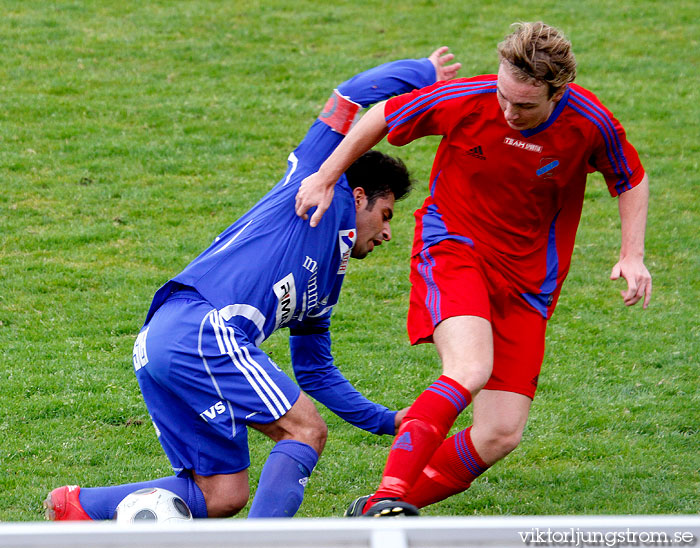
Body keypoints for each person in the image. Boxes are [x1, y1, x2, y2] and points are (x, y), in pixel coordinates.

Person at [42, 47, 461, 521]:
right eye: (386, 216)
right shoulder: (318, 183)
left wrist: (389, 421)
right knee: (304, 431)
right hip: (199, 326)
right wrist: (423, 73)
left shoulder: (325, 286)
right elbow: (348, 97)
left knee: (222, 494)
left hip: (166, 340)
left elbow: (317, 373)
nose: (388, 232)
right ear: (359, 196)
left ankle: (78, 506)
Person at [295, 22, 652, 517]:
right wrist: (325, 177)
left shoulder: (590, 123)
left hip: (530, 284)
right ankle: (390, 495)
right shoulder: (469, 98)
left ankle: (372, 513)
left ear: (558, 92)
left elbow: (629, 178)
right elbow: (380, 116)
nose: (509, 112)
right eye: (505, 96)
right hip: (454, 249)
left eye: (525, 105)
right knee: (469, 368)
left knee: (500, 433)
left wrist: (631, 254)